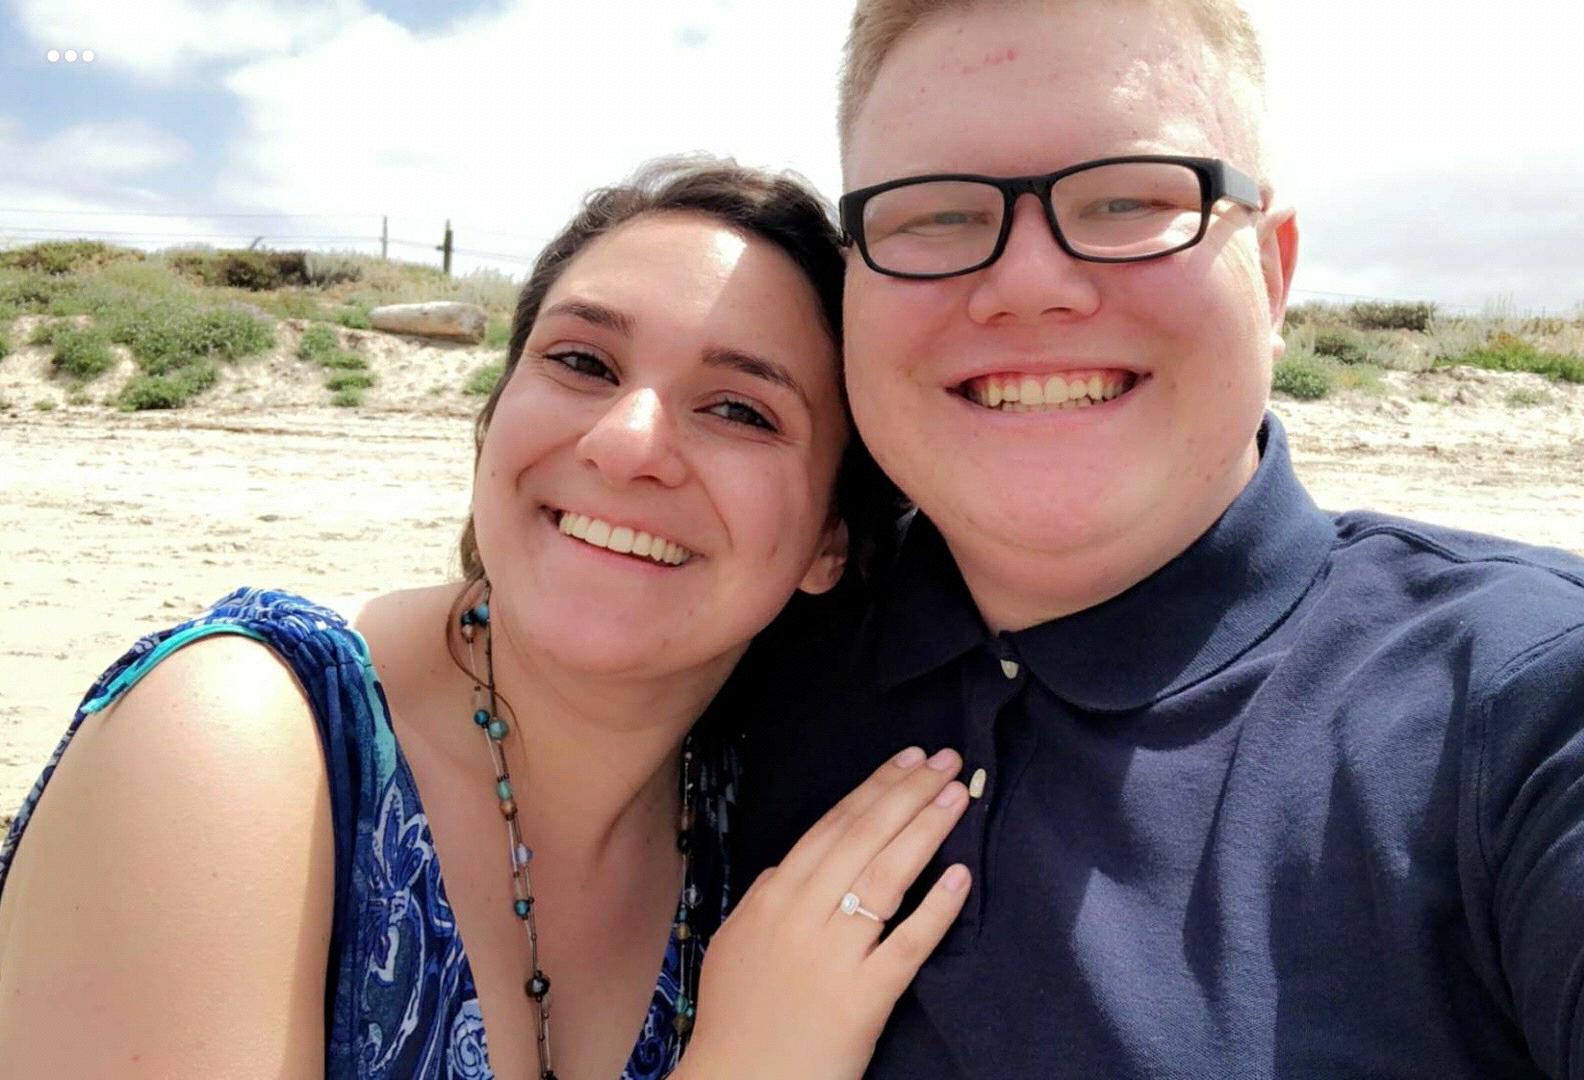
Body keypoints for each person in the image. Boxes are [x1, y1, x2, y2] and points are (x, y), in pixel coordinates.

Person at [730, 2, 1584, 1077]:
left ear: (1272, 276)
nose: (1030, 285)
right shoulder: (743, 637)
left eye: (1130, 199)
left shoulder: (1525, 699)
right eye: (934, 216)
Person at [0, 159, 976, 1079]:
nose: (626, 443)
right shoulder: (237, 744)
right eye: (584, 361)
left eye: (739, 410)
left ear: (829, 542)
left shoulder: (755, 822)